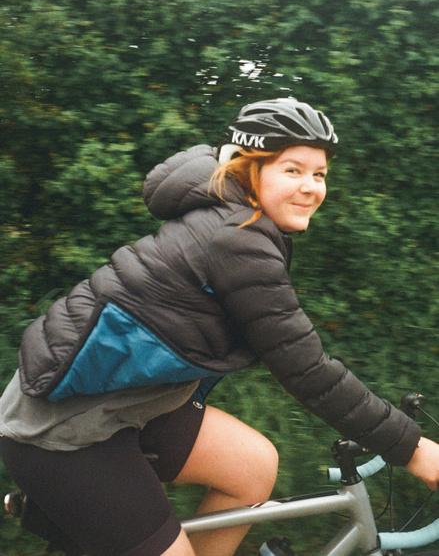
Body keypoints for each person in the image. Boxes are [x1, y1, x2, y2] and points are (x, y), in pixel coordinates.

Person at [0, 97, 438, 556]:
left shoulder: (240, 222)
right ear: (248, 169)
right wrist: (413, 449)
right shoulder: (236, 238)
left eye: (319, 173)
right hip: (61, 430)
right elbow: (307, 369)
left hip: (127, 404)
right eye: (292, 170)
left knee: (252, 466)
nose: (311, 187)